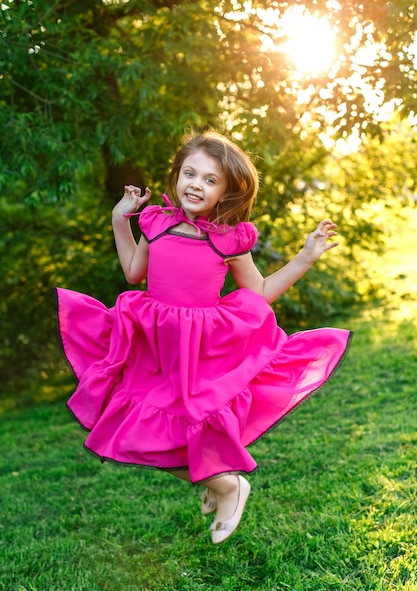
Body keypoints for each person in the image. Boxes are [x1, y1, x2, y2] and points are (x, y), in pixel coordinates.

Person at [56, 131, 352, 544]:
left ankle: (229, 485)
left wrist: (304, 257)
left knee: (190, 427)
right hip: (153, 346)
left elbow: (260, 293)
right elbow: (132, 273)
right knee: (139, 433)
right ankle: (219, 483)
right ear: (176, 176)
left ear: (227, 191)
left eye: (210, 180)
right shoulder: (156, 223)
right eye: (190, 174)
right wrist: (118, 219)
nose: (196, 184)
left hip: (201, 350)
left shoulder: (229, 239)